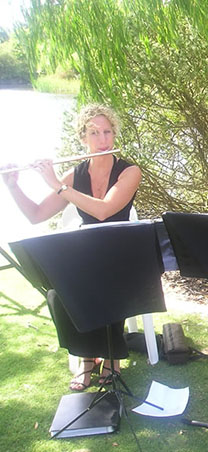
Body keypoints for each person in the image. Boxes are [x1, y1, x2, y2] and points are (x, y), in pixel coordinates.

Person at [1, 104, 142, 391]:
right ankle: (86, 355)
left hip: (122, 250)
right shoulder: (75, 175)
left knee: (107, 281)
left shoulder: (129, 171)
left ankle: (111, 356)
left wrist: (55, 183)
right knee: (57, 290)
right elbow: (36, 215)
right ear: (83, 138)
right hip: (87, 250)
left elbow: (104, 211)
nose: (103, 140)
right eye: (94, 133)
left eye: (107, 132)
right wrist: (13, 186)